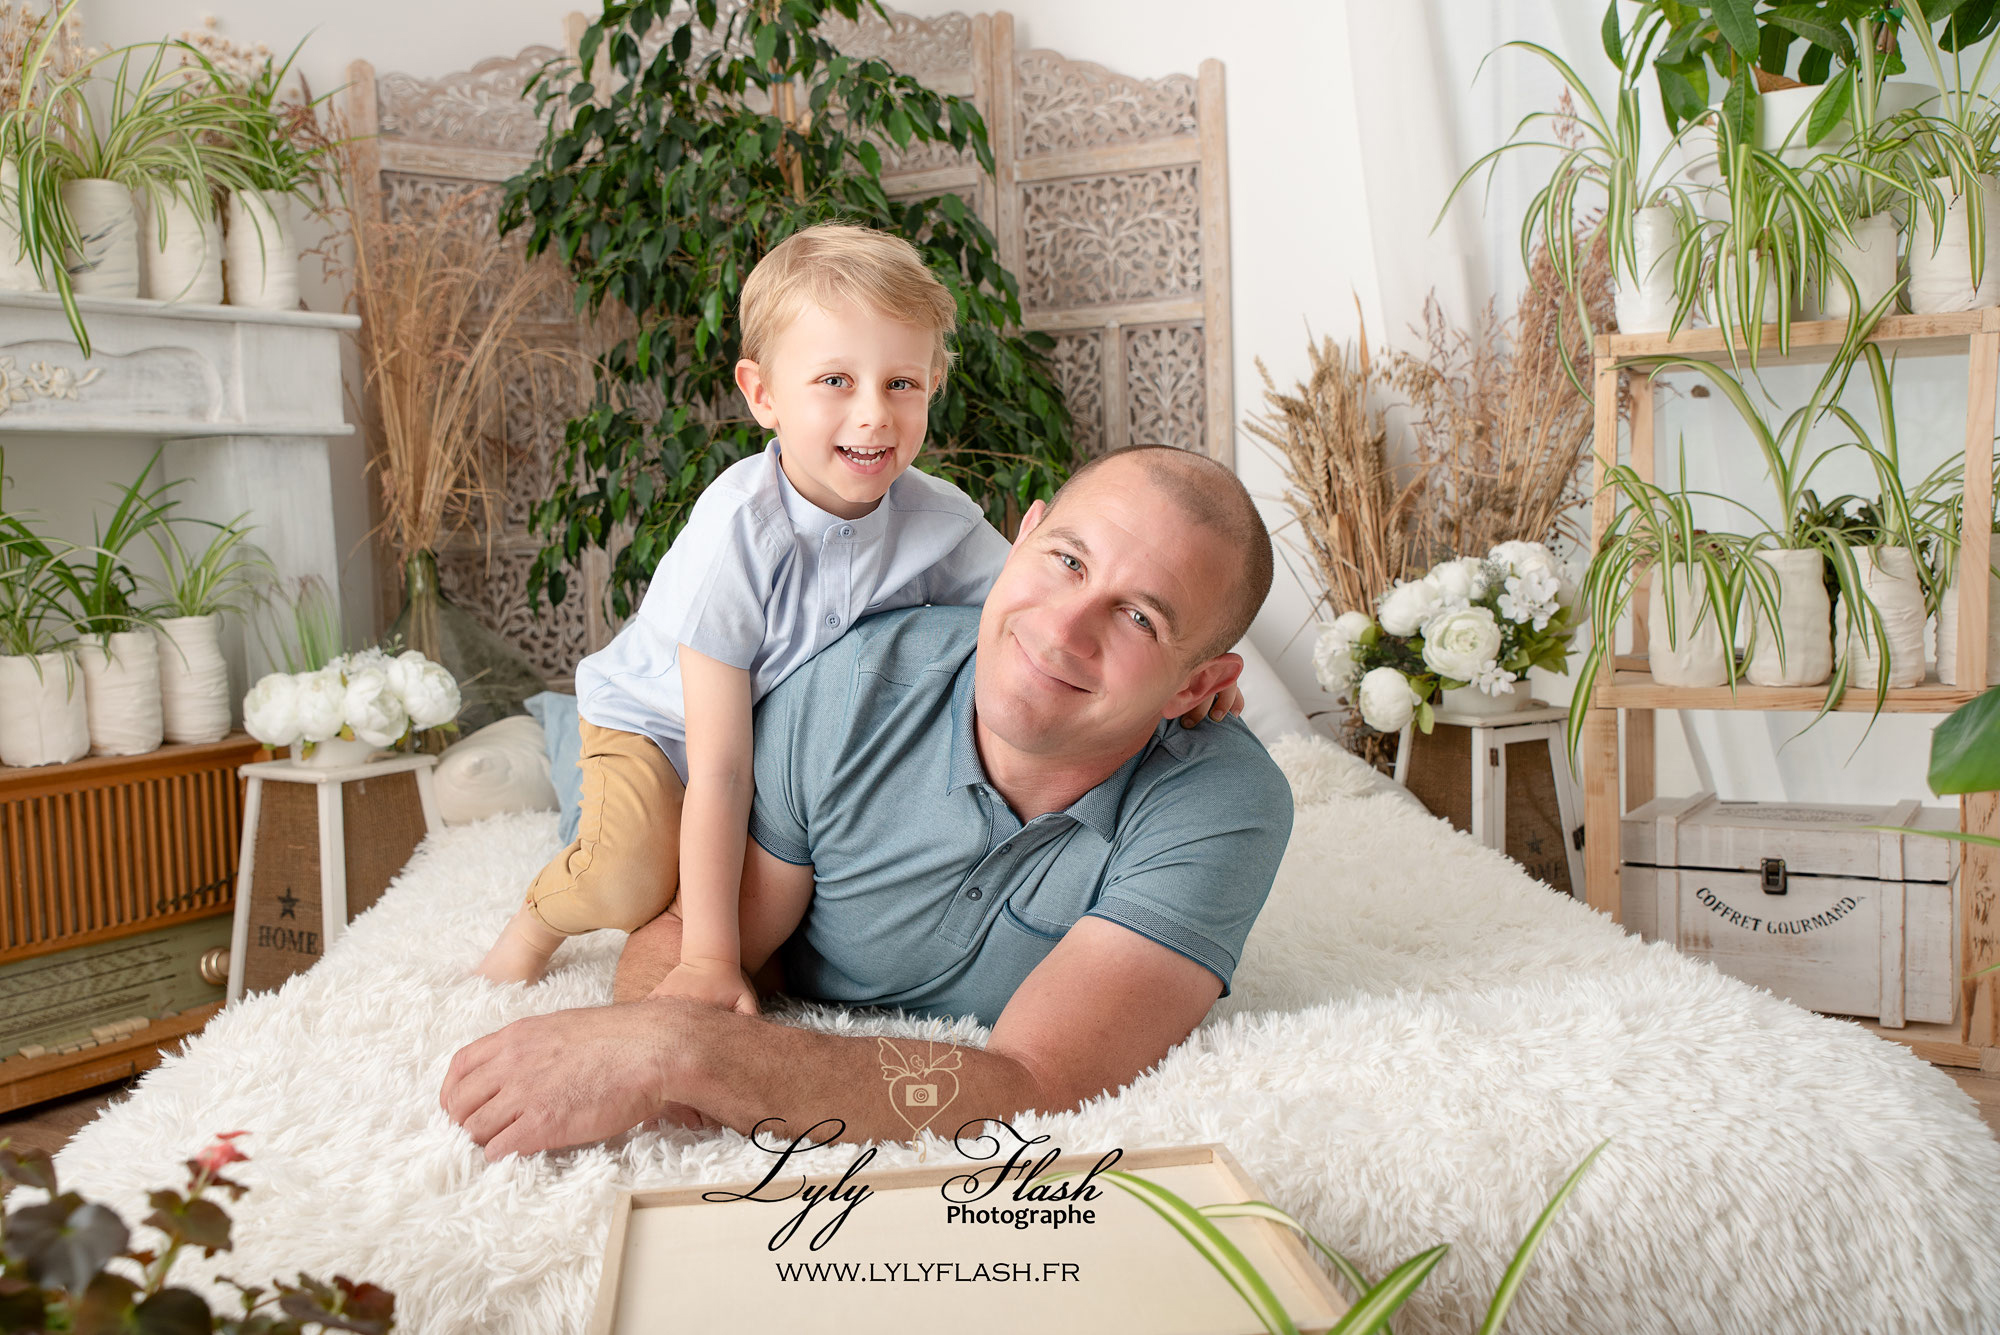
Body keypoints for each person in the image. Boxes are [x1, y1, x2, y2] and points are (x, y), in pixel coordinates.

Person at [442, 446, 1294, 1157]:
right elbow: (693, 941)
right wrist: (668, 1020)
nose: (1063, 630)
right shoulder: (850, 688)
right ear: (1021, 537)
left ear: (1202, 684)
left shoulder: (1223, 804)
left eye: (1139, 617)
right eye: (1066, 560)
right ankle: (549, 723)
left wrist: (681, 1048)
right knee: (613, 822)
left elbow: (1035, 1081)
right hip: (681, 727)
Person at [474, 223, 1004, 1000]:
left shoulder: (942, 522)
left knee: (778, 915)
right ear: (763, 395)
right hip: (662, 729)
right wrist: (708, 959)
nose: (874, 415)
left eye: (902, 383)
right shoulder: (740, 531)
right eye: (835, 381)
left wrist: (1182, 680)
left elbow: (1036, 610)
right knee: (628, 873)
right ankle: (540, 915)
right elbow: (718, 769)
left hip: (770, 753)